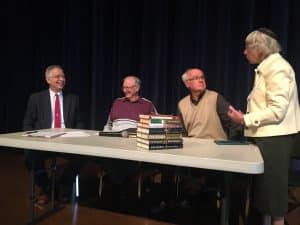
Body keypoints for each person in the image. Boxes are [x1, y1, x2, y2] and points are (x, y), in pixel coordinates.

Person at [227, 28, 300, 225]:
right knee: (265, 195)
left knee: (273, 195)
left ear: (260, 48)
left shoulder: (278, 68)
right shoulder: (267, 67)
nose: (244, 52)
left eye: (247, 47)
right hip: (266, 137)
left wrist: (245, 119)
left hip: (274, 139)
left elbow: (277, 110)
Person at [23, 65, 84, 205]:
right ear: (48, 79)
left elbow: (79, 121)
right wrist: (28, 138)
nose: (61, 79)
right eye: (57, 77)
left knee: (83, 156)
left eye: (63, 76)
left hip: (67, 140)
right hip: (43, 141)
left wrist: (77, 136)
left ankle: (62, 185)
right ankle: (46, 187)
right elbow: (28, 122)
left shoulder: (73, 98)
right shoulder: (36, 98)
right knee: (29, 155)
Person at [178, 68, 241, 139]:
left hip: (214, 146)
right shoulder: (182, 104)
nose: (201, 80)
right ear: (187, 84)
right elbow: (182, 132)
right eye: (196, 78)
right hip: (192, 146)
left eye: (202, 77)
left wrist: (228, 144)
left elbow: (234, 122)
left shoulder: (215, 98)